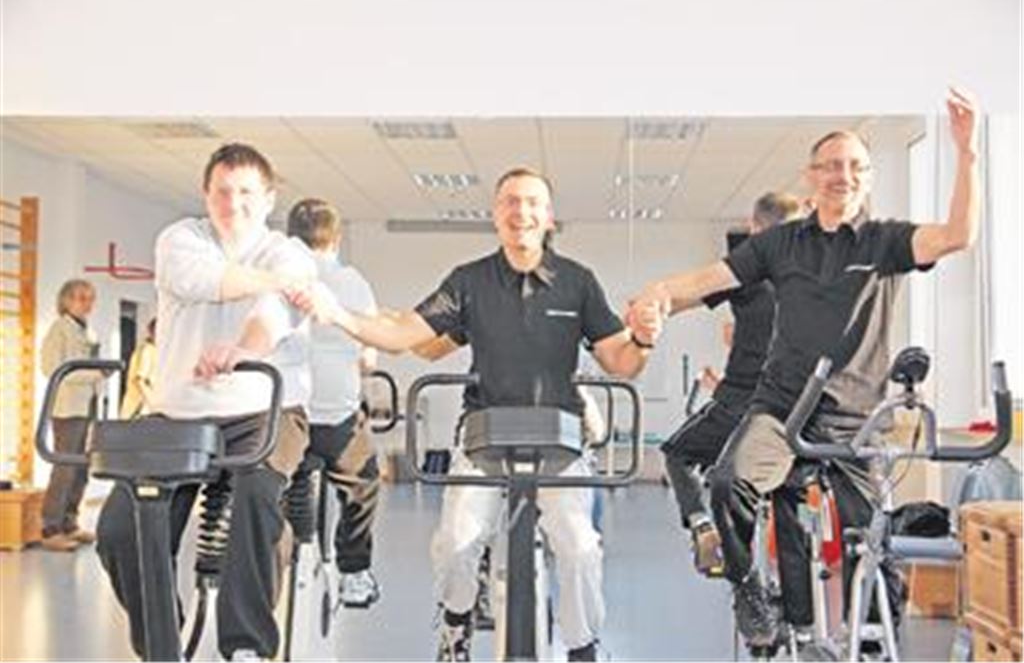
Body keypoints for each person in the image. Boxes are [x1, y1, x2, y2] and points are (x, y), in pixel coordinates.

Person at [631, 87, 981, 647]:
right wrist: (657, 296)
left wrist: (966, 154)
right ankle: (750, 591)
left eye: (855, 167)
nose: (843, 176)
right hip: (780, 411)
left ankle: (871, 640)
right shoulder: (779, 244)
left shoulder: (885, 240)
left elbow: (958, 235)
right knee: (728, 484)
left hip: (856, 422)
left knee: (875, 544)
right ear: (811, 177)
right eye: (832, 166)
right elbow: (709, 281)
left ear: (867, 177)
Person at [290, 167, 663, 661]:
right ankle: (456, 621)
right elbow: (407, 337)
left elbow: (621, 362)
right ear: (496, 214)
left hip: (561, 439)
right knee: (455, 544)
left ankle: (581, 646)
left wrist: (644, 338)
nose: (521, 211)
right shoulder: (470, 281)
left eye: (532, 202)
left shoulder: (578, 282)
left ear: (549, 217)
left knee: (579, 547)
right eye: (510, 201)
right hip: (484, 437)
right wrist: (338, 315)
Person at [96, 143, 315, 661]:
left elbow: (273, 316)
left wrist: (243, 349)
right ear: (205, 194)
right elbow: (205, 281)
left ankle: (245, 647)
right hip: (177, 415)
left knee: (259, 499)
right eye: (221, 190)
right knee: (118, 529)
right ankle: (161, 639)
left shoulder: (289, 252)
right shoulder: (181, 239)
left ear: (268, 198)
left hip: (264, 410)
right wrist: (281, 284)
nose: (232, 202)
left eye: (245, 192)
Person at [661, 192, 800, 576]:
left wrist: (650, 307)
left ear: (755, 229)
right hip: (799, 411)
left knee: (676, 454)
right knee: (788, 489)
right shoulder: (809, 276)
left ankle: (703, 526)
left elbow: (687, 294)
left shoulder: (745, 270)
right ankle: (801, 622)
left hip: (741, 404)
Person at [285, 198, 383, 608]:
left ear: (290, 236)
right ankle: (354, 571)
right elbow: (370, 352)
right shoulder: (352, 281)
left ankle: (289, 559)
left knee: (280, 489)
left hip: (288, 415)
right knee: (364, 485)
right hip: (337, 417)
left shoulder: (276, 277)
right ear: (336, 239)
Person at [39, 279, 102, 551]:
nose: (86, 303)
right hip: (68, 409)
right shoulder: (59, 330)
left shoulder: (86, 331)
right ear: (66, 301)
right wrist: (95, 372)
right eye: (80, 298)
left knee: (82, 468)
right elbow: (53, 368)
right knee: (65, 468)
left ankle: (70, 523)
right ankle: (50, 528)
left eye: (90, 298)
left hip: (87, 405)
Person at [119, 317, 157, 419]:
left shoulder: (154, 351)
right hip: (138, 411)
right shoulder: (147, 351)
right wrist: (154, 404)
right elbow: (140, 381)